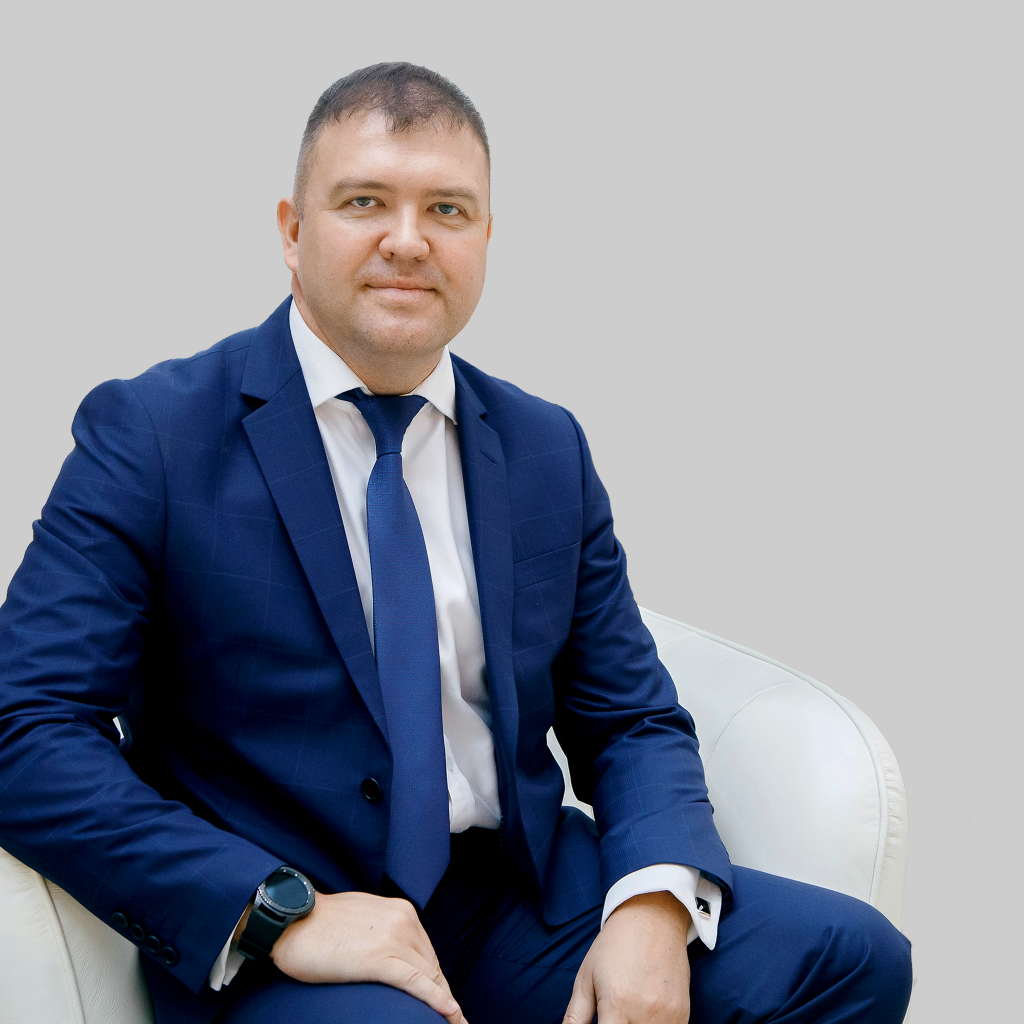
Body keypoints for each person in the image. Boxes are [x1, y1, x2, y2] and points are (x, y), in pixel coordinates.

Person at [0, 63, 912, 1024]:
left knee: (850, 958)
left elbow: (630, 718)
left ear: (484, 238)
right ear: (292, 231)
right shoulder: (154, 433)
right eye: (364, 202)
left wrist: (652, 901)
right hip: (288, 926)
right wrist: (275, 910)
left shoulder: (544, 446)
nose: (408, 240)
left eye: (447, 209)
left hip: (514, 898)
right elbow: (23, 725)